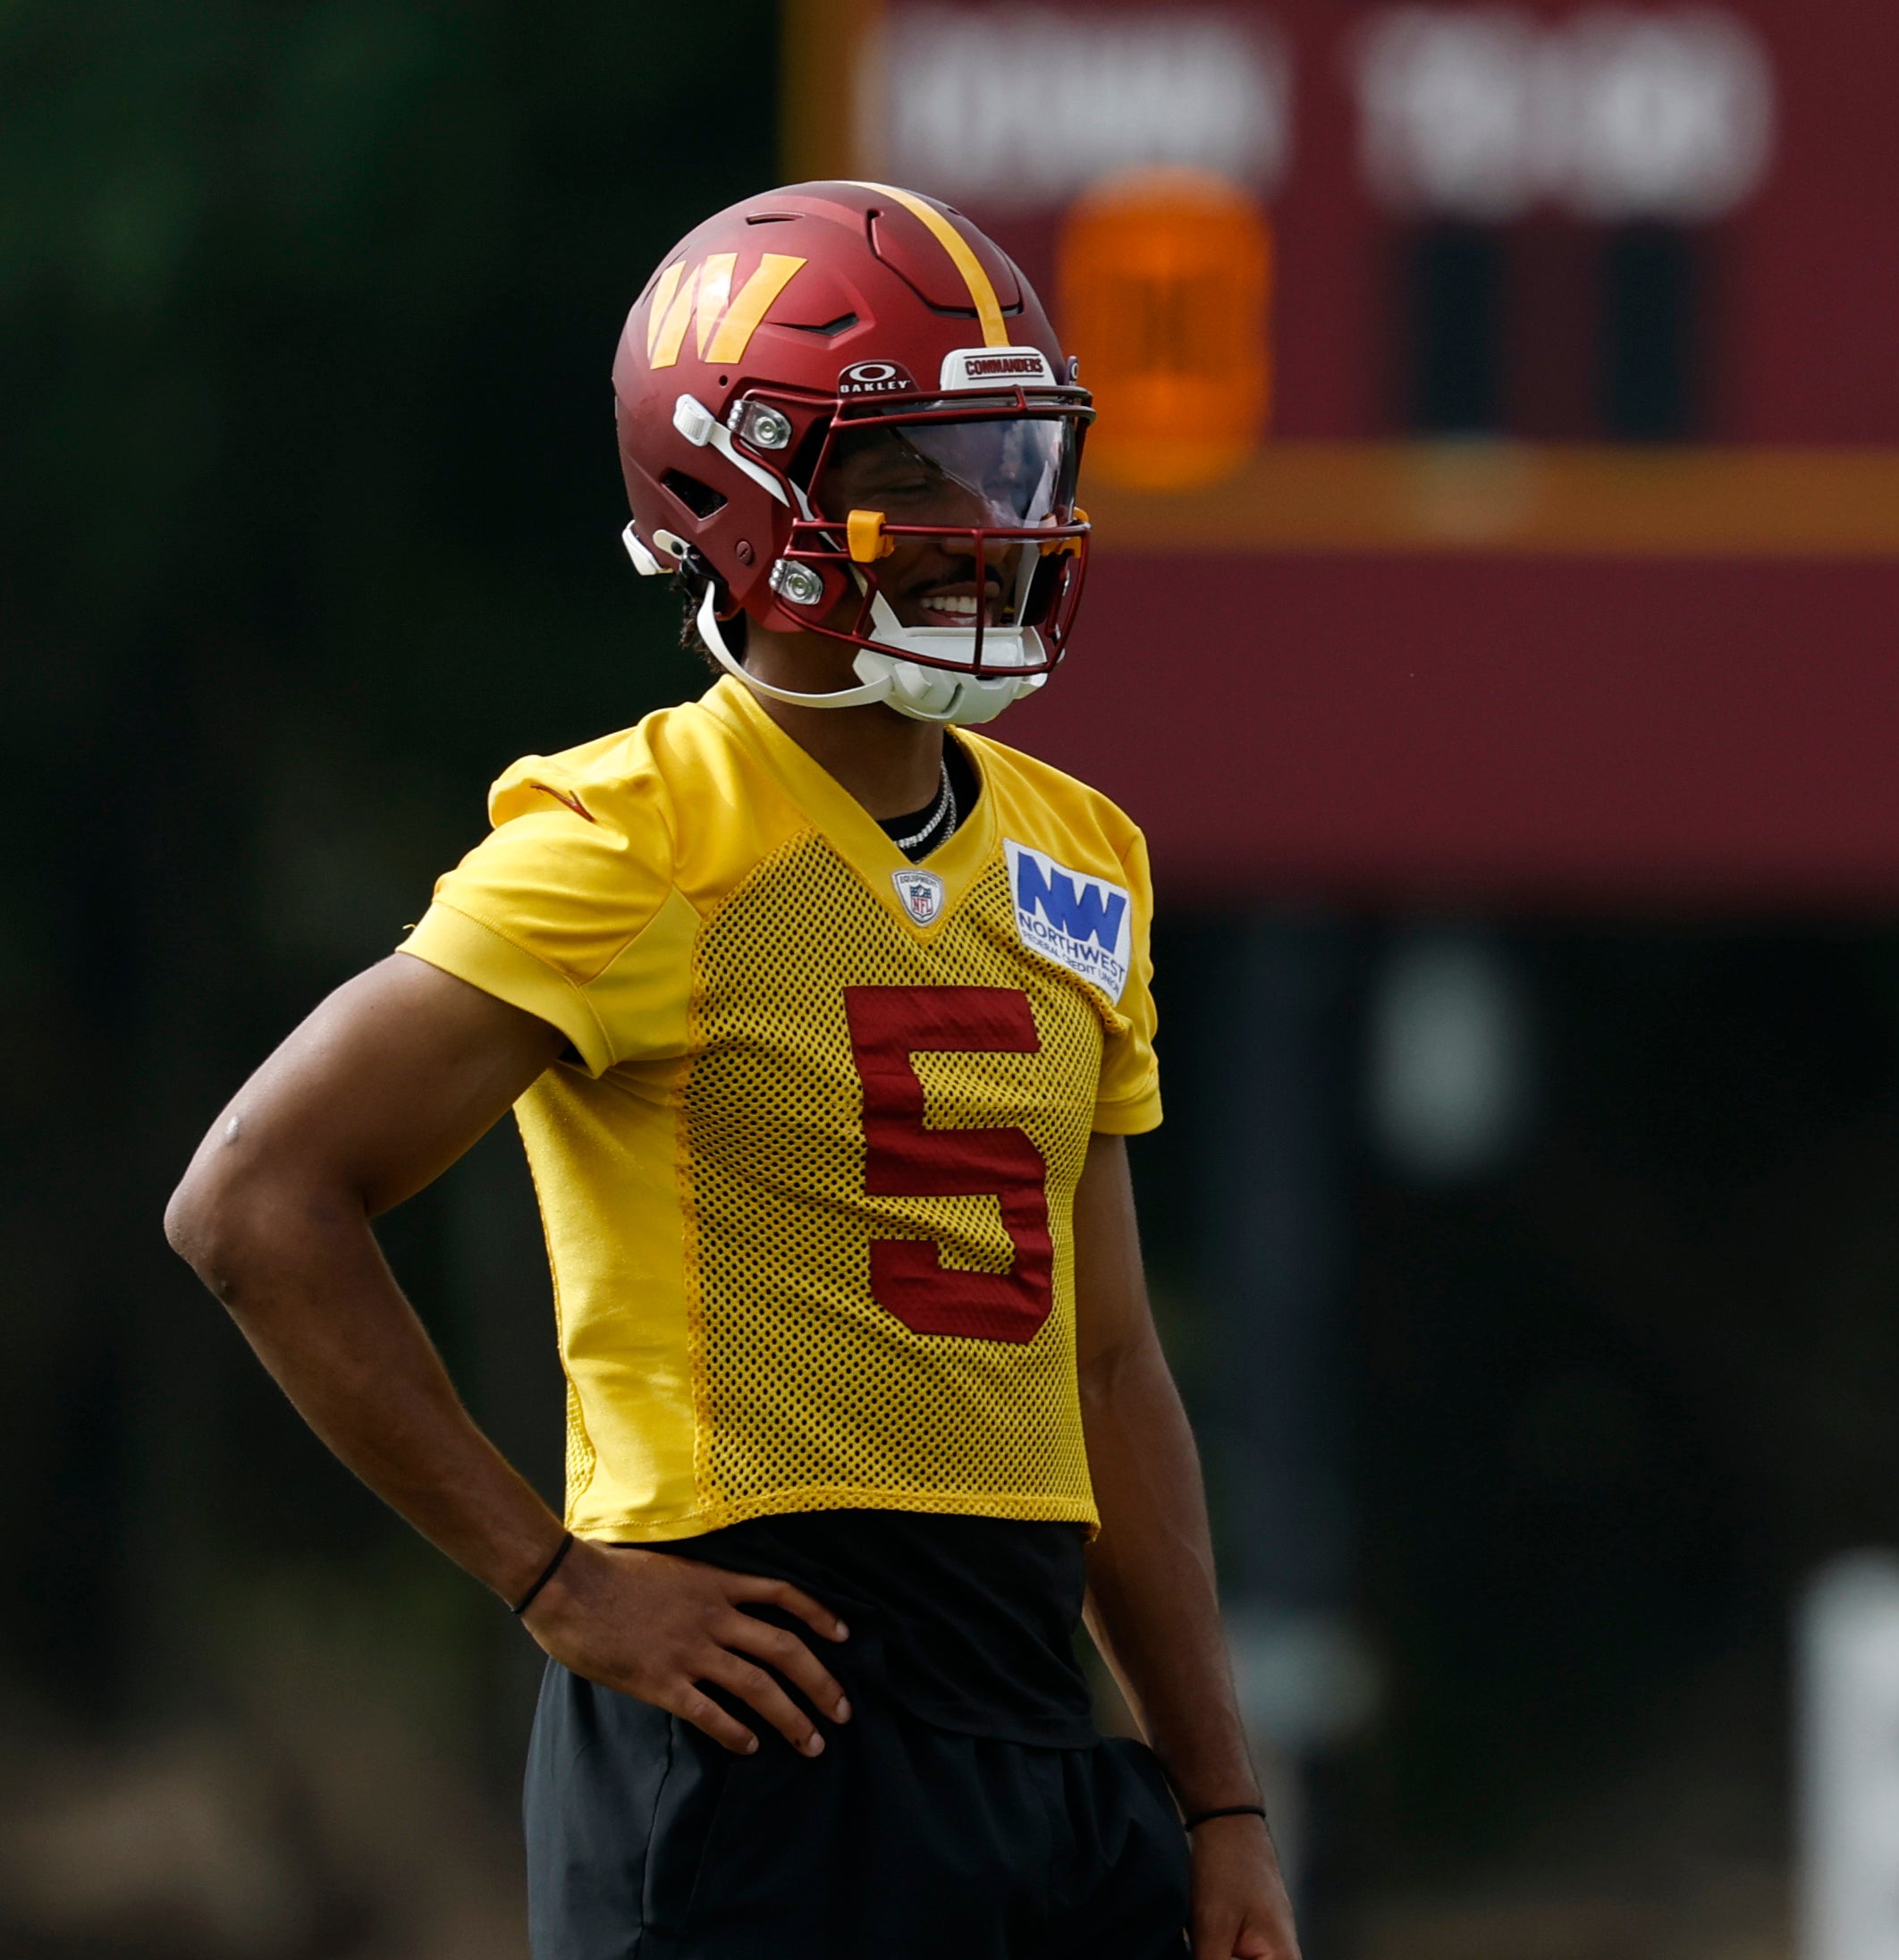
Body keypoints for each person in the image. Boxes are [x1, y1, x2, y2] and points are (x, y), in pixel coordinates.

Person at [162, 181, 1299, 1960]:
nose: (992, 528)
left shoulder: (1088, 855)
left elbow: (1110, 1355)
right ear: (745, 489)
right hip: (758, 1726)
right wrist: (551, 1580)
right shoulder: (631, 837)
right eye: (921, 471)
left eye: (1011, 466)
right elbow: (254, 1198)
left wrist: (1220, 1797)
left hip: (1034, 1728)